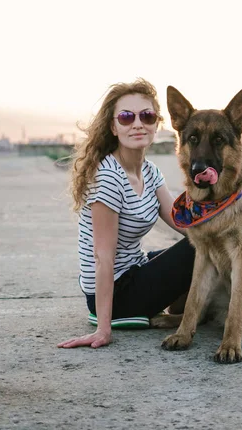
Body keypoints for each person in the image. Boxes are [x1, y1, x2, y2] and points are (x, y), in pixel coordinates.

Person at [58, 78, 195, 349]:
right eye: (126, 117)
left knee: (205, 240)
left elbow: (184, 222)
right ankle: (116, 316)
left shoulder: (149, 172)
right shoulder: (108, 177)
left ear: (157, 123)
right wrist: (102, 330)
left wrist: (230, 204)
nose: (137, 123)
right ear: (113, 126)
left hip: (136, 270)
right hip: (118, 293)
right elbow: (103, 257)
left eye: (146, 116)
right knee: (199, 249)